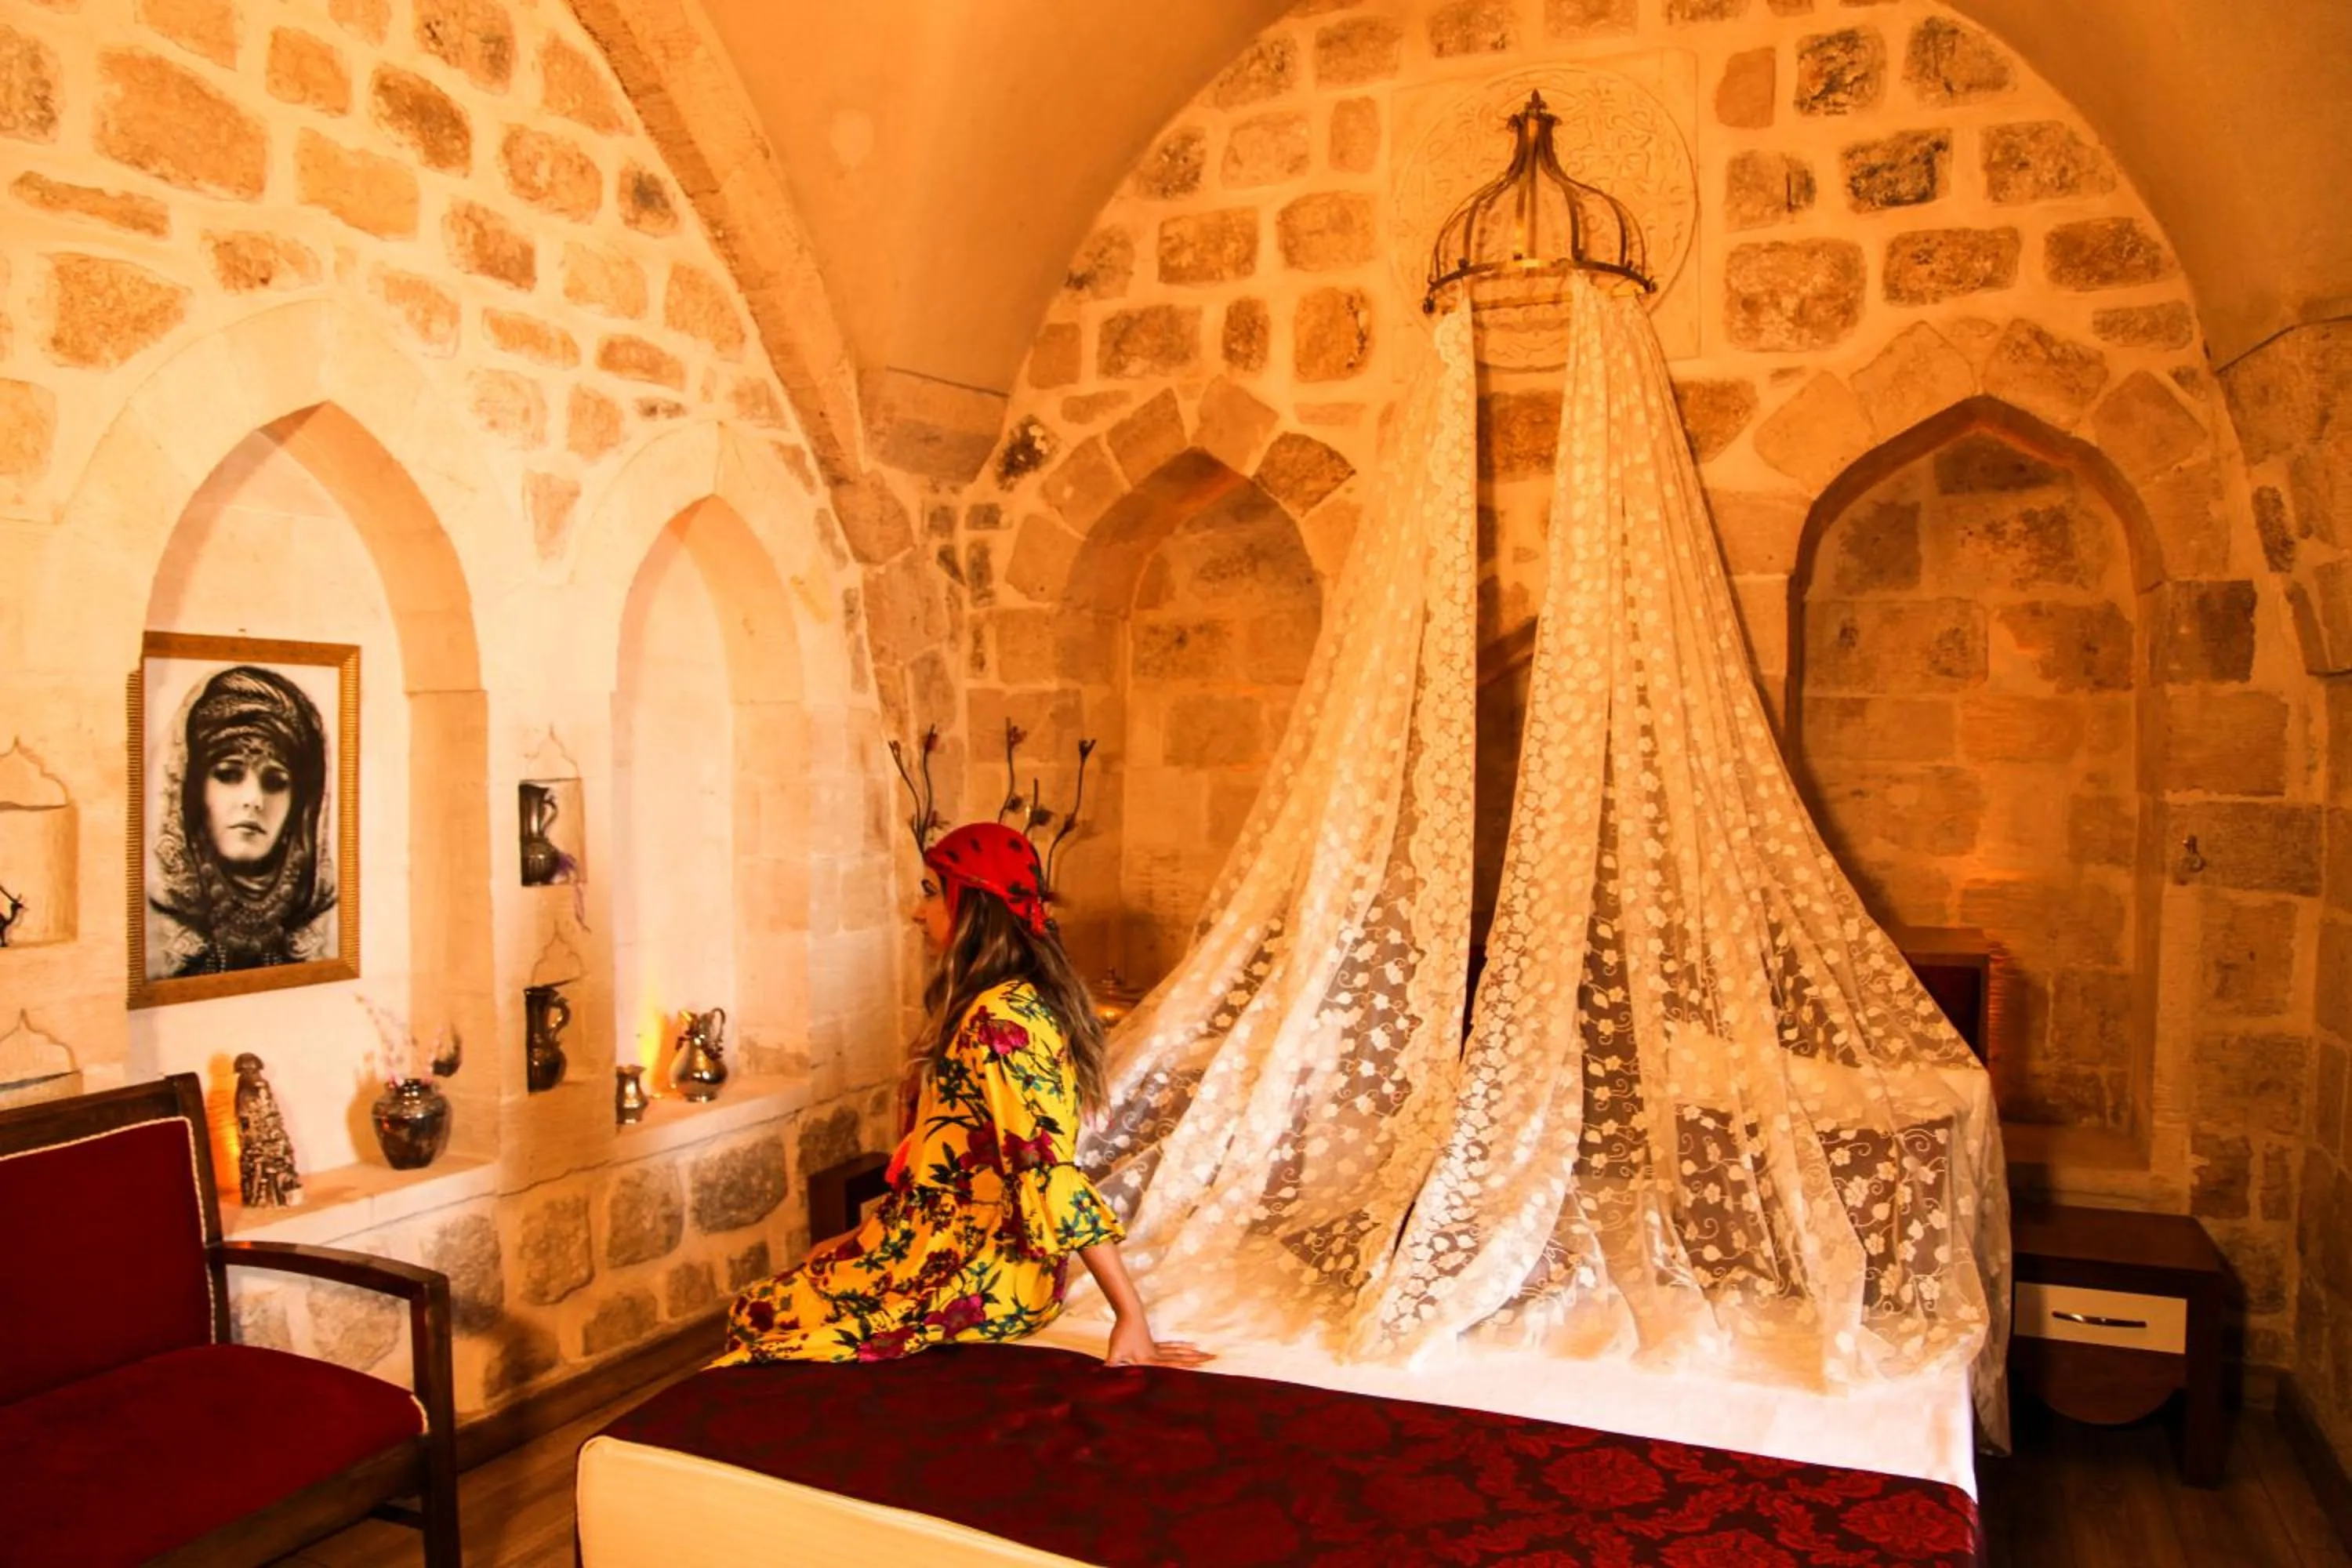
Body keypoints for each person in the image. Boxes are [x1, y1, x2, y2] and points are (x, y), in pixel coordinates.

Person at [719, 822, 1208, 1370]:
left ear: (974, 906)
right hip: (934, 1238)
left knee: (756, 1318)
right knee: (791, 1284)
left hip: (974, 1267)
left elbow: (1048, 1171)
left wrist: (1130, 1316)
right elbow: (945, 1157)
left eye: (930, 892)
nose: (915, 911)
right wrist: (865, 1236)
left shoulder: (999, 1021)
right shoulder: (1000, 1002)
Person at [148, 666, 336, 978]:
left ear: (300, 808)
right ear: (192, 792)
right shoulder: (153, 935)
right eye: (228, 775)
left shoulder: (324, 940)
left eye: (276, 782)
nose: (254, 799)